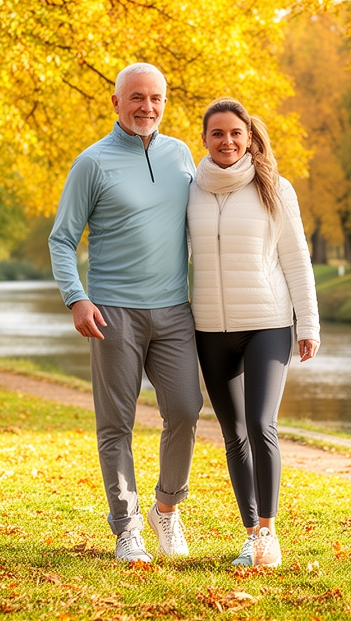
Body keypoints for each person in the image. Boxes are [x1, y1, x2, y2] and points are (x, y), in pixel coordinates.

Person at [48, 63, 202, 563]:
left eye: (156, 98)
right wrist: (77, 297)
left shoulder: (181, 154)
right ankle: (127, 528)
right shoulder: (91, 163)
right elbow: (62, 238)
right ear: (116, 103)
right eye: (136, 97)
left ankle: (166, 510)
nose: (147, 107)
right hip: (113, 312)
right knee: (116, 424)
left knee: (185, 409)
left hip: (176, 311)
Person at [187, 98, 320, 568]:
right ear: (204, 138)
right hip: (210, 328)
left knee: (262, 424)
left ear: (249, 137)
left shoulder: (275, 188)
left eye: (235, 133)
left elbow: (296, 259)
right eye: (217, 133)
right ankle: (249, 534)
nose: (226, 141)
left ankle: (269, 532)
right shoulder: (191, 190)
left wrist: (309, 323)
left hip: (267, 322)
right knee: (234, 432)